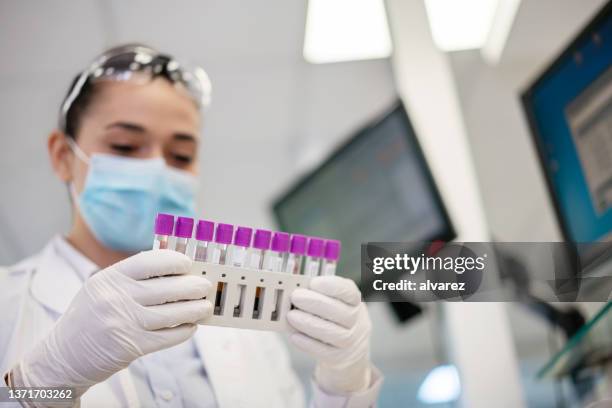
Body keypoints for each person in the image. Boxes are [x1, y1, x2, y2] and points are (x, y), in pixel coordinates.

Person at [0, 44, 382, 408]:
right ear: (63, 156)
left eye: (181, 155)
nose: (158, 169)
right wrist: (49, 379)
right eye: (125, 147)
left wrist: (344, 384)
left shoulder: (245, 323)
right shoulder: (9, 304)